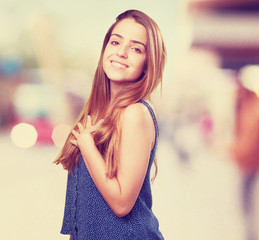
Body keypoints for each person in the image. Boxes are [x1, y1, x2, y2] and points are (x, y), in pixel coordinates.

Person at [54, 9, 166, 240]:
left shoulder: (136, 114)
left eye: (136, 48)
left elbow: (122, 203)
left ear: (148, 63)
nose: (121, 52)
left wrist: (86, 145)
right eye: (115, 42)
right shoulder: (98, 112)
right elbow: (83, 205)